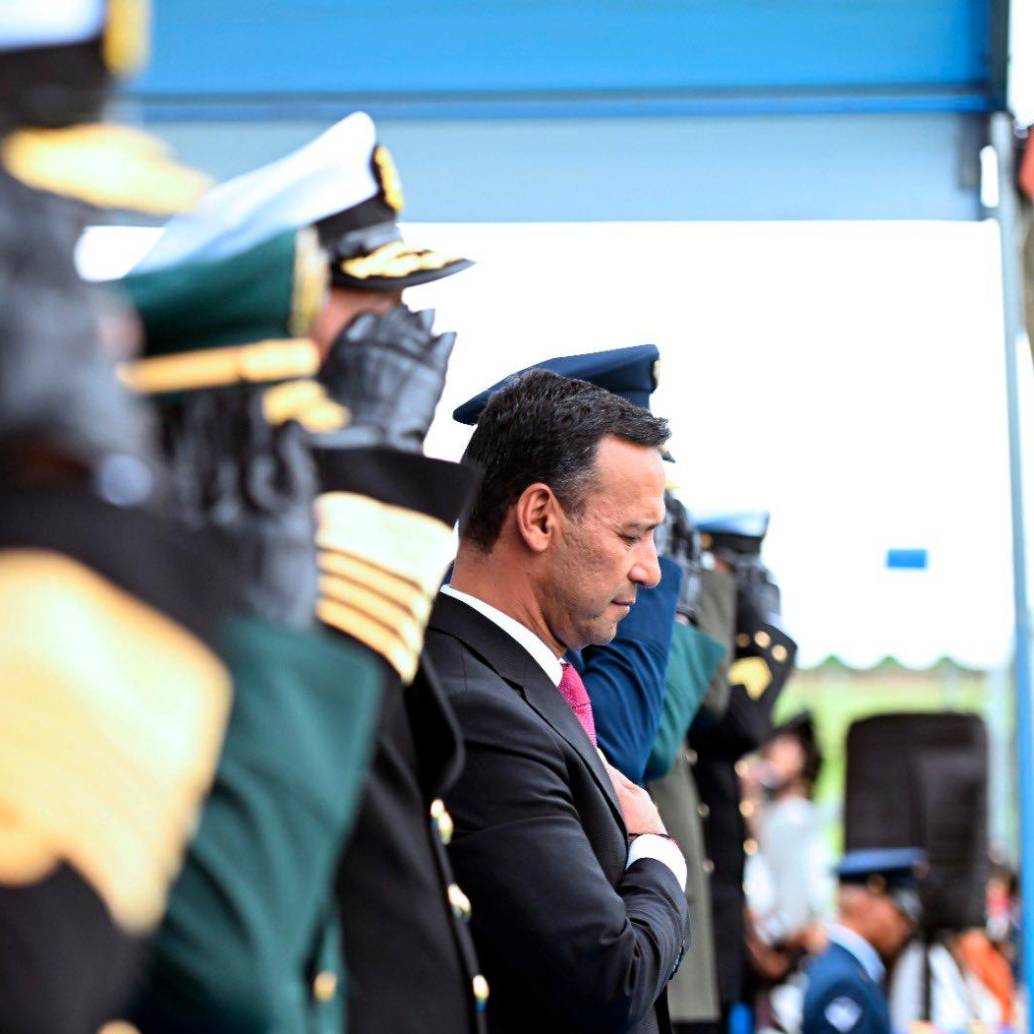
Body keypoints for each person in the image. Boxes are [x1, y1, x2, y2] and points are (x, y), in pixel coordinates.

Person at [137, 110, 488, 1034]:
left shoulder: (306, 535)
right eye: (374, 314)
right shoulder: (181, 553)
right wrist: (365, 468)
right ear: (266, 330)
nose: (406, 343)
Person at [426, 369, 690, 1034]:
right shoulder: (475, 706)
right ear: (540, 517)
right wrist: (656, 852)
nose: (651, 570)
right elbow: (608, 979)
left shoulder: (510, 680)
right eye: (632, 535)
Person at [683, 513, 797, 1032]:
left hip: (719, 915)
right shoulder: (696, 629)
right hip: (691, 909)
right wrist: (764, 632)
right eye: (734, 567)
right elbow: (739, 724)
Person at [802, 848, 925, 1034]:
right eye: (900, 911)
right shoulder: (845, 981)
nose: (905, 925)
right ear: (866, 905)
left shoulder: (851, 969)